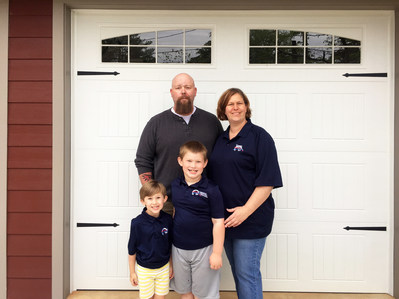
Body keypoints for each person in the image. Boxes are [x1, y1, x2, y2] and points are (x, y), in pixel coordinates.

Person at [208, 88, 283, 299]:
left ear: (246, 107)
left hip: (251, 220)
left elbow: (268, 182)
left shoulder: (260, 137)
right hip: (225, 221)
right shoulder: (220, 139)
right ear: (223, 109)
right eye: (230, 104)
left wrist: (245, 212)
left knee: (246, 274)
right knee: (239, 273)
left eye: (239, 103)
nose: (235, 107)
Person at [134, 73, 224, 214]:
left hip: (203, 200)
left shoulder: (211, 122)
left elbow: (222, 159)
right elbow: (143, 160)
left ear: (195, 91)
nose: (183, 91)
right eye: (178, 87)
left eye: (188, 87)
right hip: (166, 203)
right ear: (171, 92)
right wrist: (153, 195)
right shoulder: (156, 123)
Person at [171, 141, 225, 299]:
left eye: (198, 161)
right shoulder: (175, 185)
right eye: (189, 161)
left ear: (205, 163)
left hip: (204, 249)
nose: (193, 166)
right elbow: (175, 211)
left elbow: (218, 222)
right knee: (185, 292)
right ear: (180, 161)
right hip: (179, 249)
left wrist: (216, 253)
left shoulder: (211, 189)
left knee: (204, 294)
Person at [128, 180, 174, 299]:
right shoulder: (137, 223)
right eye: (150, 198)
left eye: (158, 198)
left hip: (163, 268)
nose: (154, 202)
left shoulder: (168, 220)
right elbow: (131, 250)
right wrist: (132, 272)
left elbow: (169, 245)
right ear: (143, 201)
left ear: (165, 199)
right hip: (145, 270)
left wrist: (171, 266)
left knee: (160, 297)